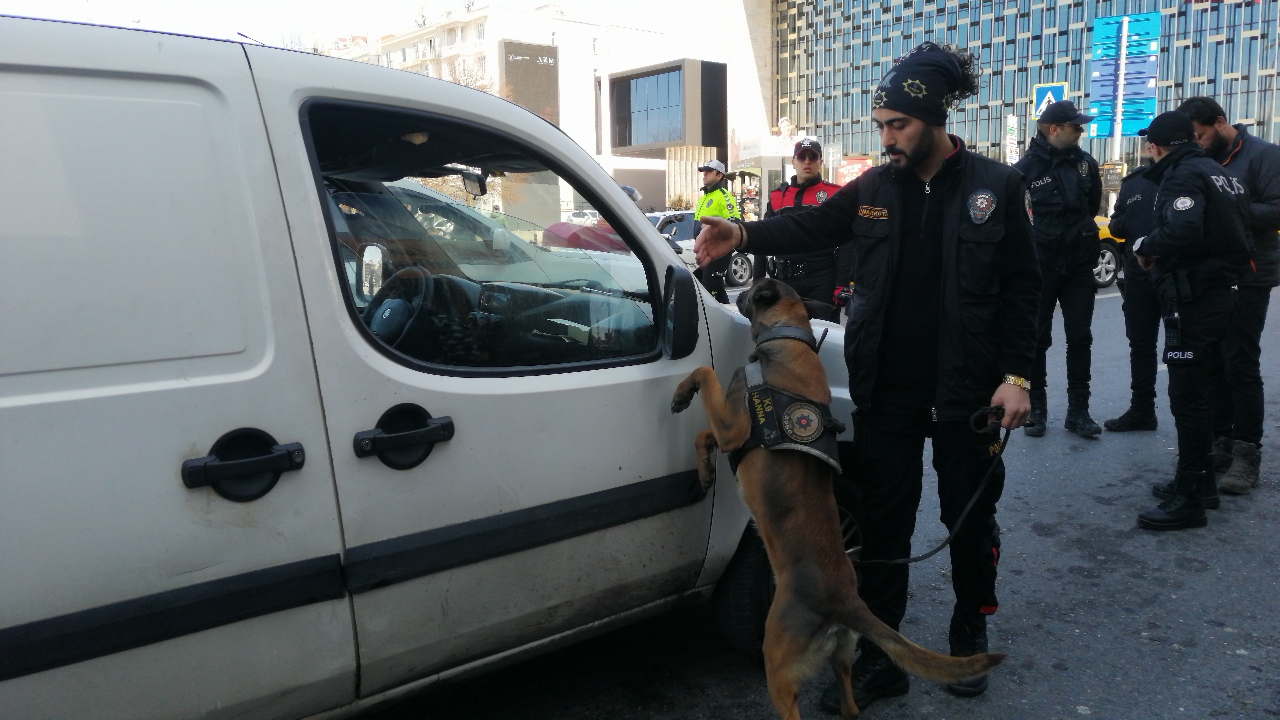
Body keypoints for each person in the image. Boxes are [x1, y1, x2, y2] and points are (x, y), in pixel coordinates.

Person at [693, 42, 1039, 712]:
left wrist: (1017, 377)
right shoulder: (876, 188)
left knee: (968, 520)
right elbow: (815, 225)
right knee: (884, 527)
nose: (887, 138)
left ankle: (971, 621)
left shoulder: (997, 186)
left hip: (968, 393)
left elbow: (1024, 291)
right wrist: (741, 231)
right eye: (880, 125)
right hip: (889, 390)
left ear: (934, 120)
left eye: (898, 125)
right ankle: (884, 658)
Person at [1130, 111, 1253, 531]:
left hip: (1194, 298)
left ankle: (1190, 498)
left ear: (1157, 145)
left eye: (1149, 143)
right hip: (1220, 293)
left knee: (1187, 397)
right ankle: (1200, 485)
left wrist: (1146, 243)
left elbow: (1183, 231)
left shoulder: (1182, 175)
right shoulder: (1219, 172)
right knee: (1202, 389)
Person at [1177, 96, 1280, 495]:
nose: (1198, 143)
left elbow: (1276, 209)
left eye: (1201, 135)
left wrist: (1223, 207)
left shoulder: (1264, 156)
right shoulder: (1200, 159)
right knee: (1212, 359)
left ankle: (1247, 451)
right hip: (1210, 276)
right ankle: (1219, 439)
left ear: (1220, 123)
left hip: (1251, 275)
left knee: (1240, 360)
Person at [1014, 100, 1103, 439]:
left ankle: (1078, 412)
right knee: (1036, 339)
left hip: (1079, 264)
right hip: (1041, 265)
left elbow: (1091, 205)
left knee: (1080, 337)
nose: (1080, 131)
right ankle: (1037, 410)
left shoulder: (1085, 164)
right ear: (1054, 129)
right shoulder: (1026, 169)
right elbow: (1018, 221)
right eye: (1075, 126)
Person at [751, 138, 847, 320]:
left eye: (813, 156)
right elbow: (762, 239)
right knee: (788, 340)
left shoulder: (834, 194)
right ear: (793, 162)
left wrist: (841, 284)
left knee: (824, 339)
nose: (807, 161)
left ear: (820, 161)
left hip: (822, 279)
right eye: (801, 157)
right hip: (784, 281)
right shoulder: (777, 196)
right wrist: (757, 282)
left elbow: (846, 243)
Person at [1103, 154, 1162, 432]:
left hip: (1177, 274)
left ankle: (1207, 426)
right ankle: (1142, 410)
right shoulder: (1134, 182)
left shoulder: (1186, 175)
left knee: (1187, 351)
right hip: (1139, 276)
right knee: (1140, 345)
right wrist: (1123, 223)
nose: (1153, 147)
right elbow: (1116, 222)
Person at [692, 159, 740, 303]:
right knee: (717, 292)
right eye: (703, 171)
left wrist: (712, 227)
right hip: (706, 253)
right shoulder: (704, 197)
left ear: (719, 176)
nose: (704, 174)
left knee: (707, 293)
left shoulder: (724, 196)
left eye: (709, 171)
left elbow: (736, 222)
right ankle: (730, 319)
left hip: (717, 254)